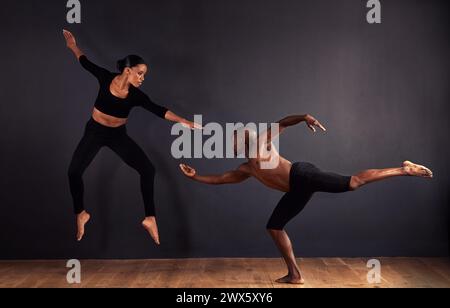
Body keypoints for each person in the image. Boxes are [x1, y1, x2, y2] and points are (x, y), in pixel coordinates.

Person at [179, 114, 433, 284]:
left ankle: (403, 169)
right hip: (296, 189)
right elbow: (221, 179)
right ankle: (295, 274)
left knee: (353, 182)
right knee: (274, 226)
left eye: (234, 139)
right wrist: (195, 177)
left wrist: (303, 117)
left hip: (302, 174)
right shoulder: (246, 169)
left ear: (244, 137)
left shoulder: (261, 144)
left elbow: (283, 123)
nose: (231, 144)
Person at [63, 29, 200, 244]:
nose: (142, 78)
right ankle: (81, 213)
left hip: (117, 135)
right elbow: (84, 61)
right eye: (140, 73)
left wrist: (184, 121)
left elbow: (159, 110)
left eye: (144, 74)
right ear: (127, 71)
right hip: (95, 132)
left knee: (148, 169)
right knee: (73, 172)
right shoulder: (105, 77)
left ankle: (150, 218)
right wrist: (73, 46)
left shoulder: (136, 95)